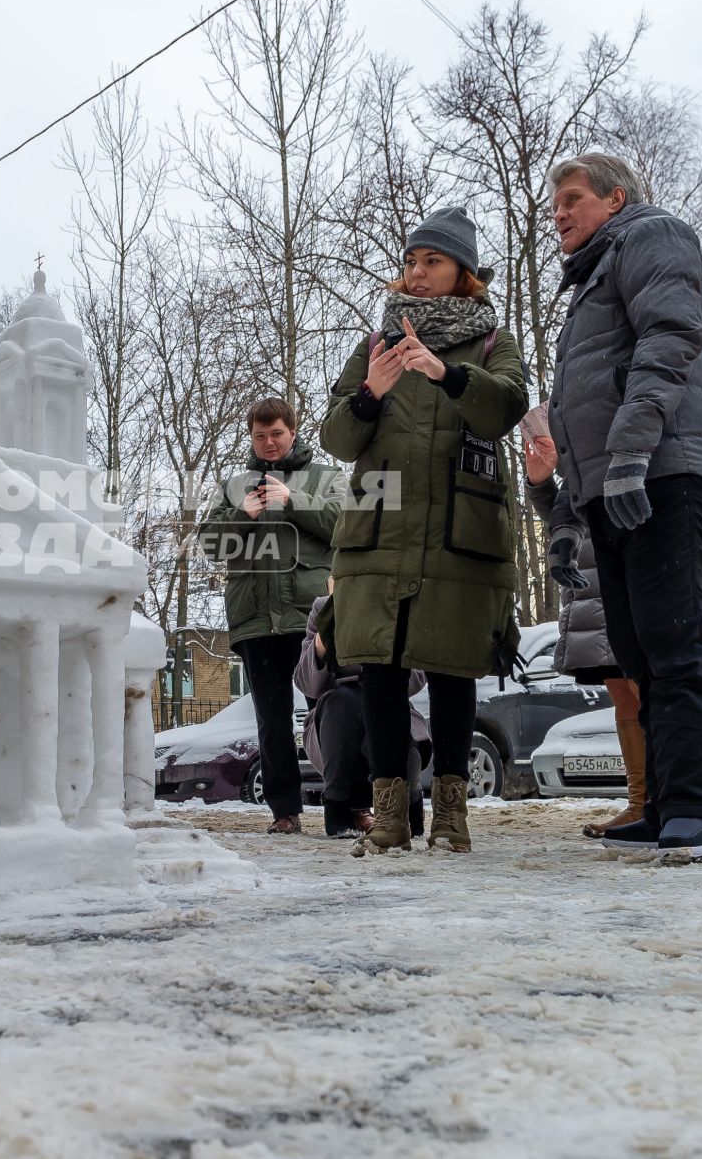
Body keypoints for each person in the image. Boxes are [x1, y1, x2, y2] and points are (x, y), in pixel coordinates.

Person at [542, 152, 702, 862]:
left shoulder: (652, 236)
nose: (558, 213)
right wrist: (566, 516)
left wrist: (630, 452)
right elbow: (577, 413)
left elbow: (671, 338)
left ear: (615, 196)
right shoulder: (588, 280)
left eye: (571, 198)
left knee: (677, 645)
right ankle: (661, 803)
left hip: (663, 476)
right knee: (639, 655)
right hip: (610, 492)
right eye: (553, 204)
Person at [321, 206, 528, 855]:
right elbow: (335, 435)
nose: (415, 272)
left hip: (458, 535)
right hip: (378, 533)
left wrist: (447, 373)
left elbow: (507, 406)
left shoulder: (493, 340)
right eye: (410, 261)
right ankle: (389, 817)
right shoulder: (375, 343)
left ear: (463, 273)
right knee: (378, 670)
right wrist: (370, 394)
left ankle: (451, 817)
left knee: (452, 673)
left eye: (430, 261)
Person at [198, 397, 345, 834]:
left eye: (276, 434)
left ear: (293, 432)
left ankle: (346, 803)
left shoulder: (325, 477)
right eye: (260, 436)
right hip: (257, 619)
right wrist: (244, 514)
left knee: (334, 711)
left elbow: (345, 524)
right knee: (272, 720)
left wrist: (293, 499)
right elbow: (210, 545)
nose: (269, 443)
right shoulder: (233, 486)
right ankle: (285, 812)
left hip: (314, 619)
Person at [522, 427, 646, 837]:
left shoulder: (623, 435)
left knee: (646, 691)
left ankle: (667, 801)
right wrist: (541, 481)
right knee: (622, 696)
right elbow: (565, 515)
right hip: (590, 588)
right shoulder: (580, 453)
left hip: (626, 583)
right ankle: (640, 803)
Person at [293, 593, 428, 839]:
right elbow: (307, 684)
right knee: (345, 701)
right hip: (337, 718)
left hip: (389, 701)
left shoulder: (398, 600)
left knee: (387, 721)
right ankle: (338, 806)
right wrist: (325, 633)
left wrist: (379, 672)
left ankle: (406, 805)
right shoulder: (323, 607)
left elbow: (417, 677)